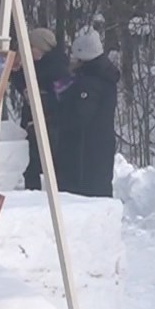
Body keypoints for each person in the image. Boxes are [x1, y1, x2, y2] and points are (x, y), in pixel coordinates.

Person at [58, 29, 118, 198]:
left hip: (85, 152)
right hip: (95, 148)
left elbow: (79, 117)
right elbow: (59, 88)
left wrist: (56, 118)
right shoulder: (91, 76)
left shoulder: (89, 83)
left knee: (85, 197)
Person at [11, 27, 70, 191]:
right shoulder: (30, 63)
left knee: (49, 163)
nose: (28, 50)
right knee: (29, 163)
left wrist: (41, 98)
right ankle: (32, 193)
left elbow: (64, 97)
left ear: (41, 48)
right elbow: (22, 83)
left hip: (50, 122)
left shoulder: (58, 68)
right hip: (31, 118)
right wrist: (16, 73)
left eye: (31, 47)